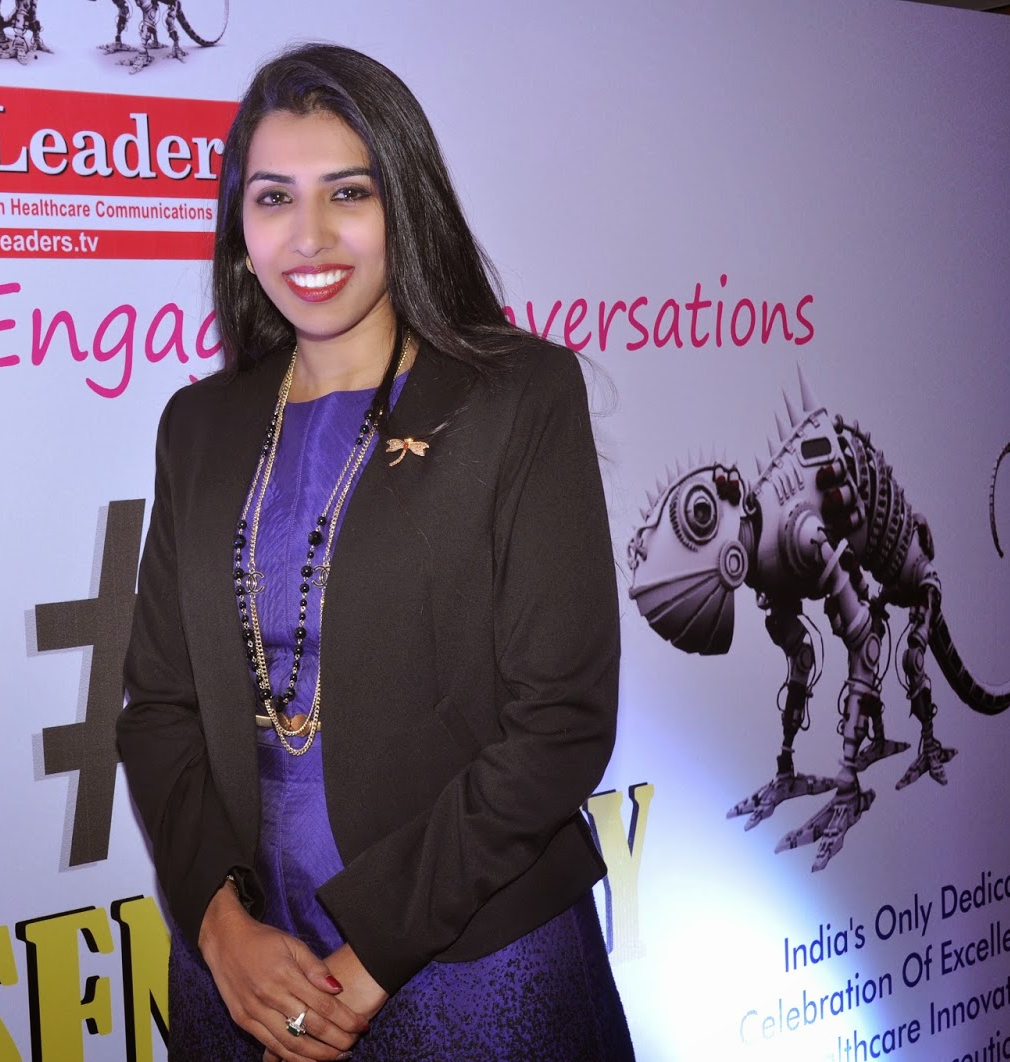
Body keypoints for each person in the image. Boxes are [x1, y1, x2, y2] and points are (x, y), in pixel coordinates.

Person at [117, 42, 633, 1062]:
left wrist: (365, 963)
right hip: (247, 971)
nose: (308, 236)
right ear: (240, 229)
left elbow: (560, 722)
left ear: (404, 205)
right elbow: (159, 706)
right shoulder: (198, 426)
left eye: (347, 192)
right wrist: (218, 930)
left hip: (472, 959)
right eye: (273, 198)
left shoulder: (516, 397)